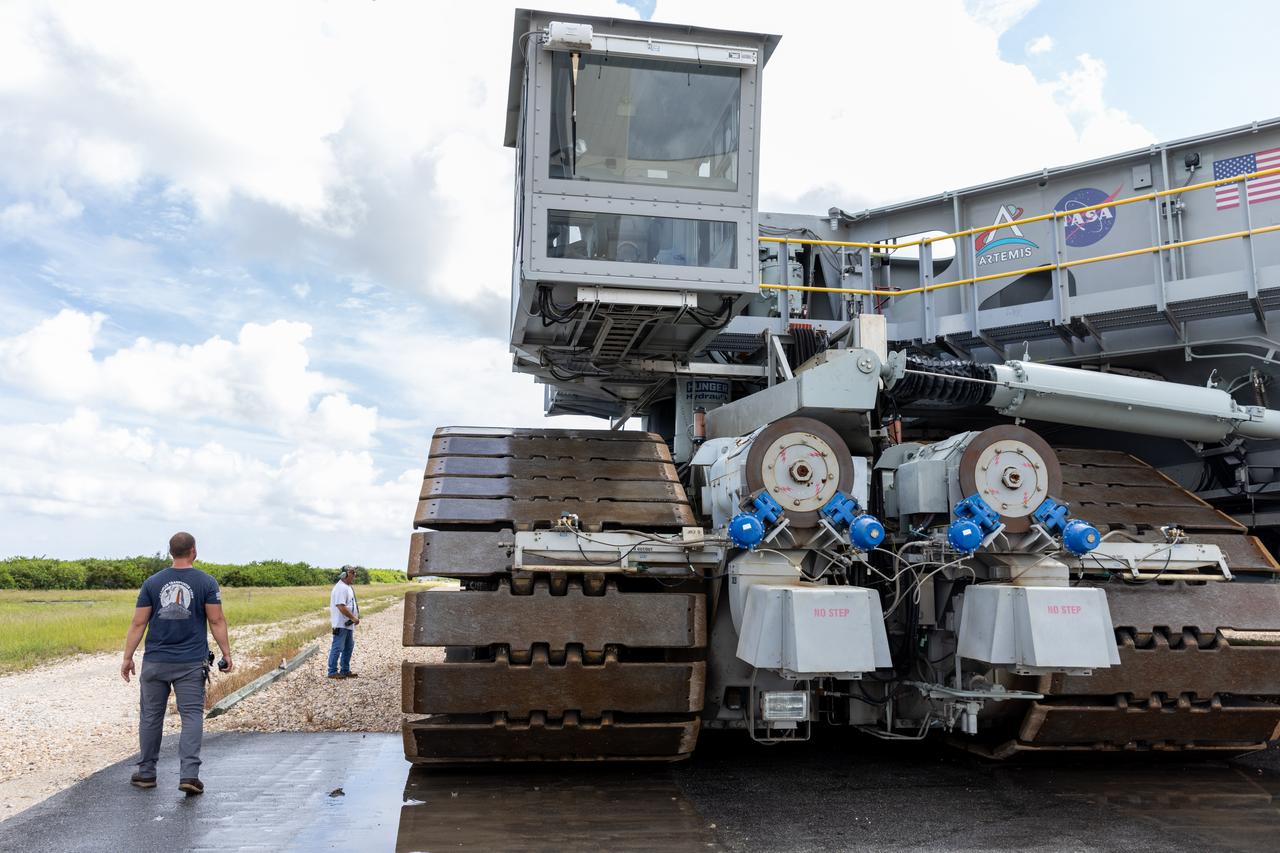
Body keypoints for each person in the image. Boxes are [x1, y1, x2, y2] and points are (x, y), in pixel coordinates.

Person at [121, 531, 233, 795]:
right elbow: (216, 620)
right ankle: (189, 775)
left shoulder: (152, 582)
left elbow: (138, 622)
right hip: (191, 662)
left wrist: (127, 657)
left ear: (171, 551)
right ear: (194, 550)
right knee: (191, 716)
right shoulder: (206, 582)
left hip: (155, 661)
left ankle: (147, 772)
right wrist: (226, 653)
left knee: (150, 717)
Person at [327, 565, 360, 679]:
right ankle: (332, 672)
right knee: (338, 647)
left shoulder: (347, 587)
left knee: (348, 647)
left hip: (347, 625)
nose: (354, 575)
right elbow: (341, 606)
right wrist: (353, 618)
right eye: (352, 573)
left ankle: (345, 670)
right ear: (345, 574)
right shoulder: (341, 588)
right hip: (341, 624)